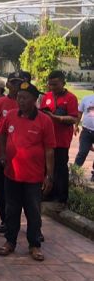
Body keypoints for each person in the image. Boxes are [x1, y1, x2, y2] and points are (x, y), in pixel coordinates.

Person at [0, 82, 55, 262]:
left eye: (24, 98)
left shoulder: (44, 120)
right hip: (12, 174)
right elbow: (2, 134)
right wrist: (3, 153)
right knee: (12, 210)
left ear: (34, 99)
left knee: (33, 212)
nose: (20, 101)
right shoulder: (11, 115)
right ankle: (10, 241)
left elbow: (49, 150)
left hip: (33, 177)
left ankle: (34, 244)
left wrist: (49, 175)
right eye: (19, 97)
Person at [0, 72, 23, 232]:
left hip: (21, 155)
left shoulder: (27, 103)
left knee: (22, 191)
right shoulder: (0, 103)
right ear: (8, 84)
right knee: (2, 190)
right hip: (1, 154)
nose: (16, 86)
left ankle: (28, 224)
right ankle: (5, 220)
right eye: (13, 82)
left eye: (19, 83)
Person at [40, 70, 78, 203]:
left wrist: (56, 118)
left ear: (63, 83)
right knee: (47, 167)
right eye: (50, 84)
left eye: (55, 84)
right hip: (47, 139)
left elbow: (73, 118)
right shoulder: (47, 96)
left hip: (61, 140)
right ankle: (47, 194)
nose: (52, 87)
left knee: (60, 168)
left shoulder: (71, 98)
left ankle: (61, 198)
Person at [73, 86, 94, 181]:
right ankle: (74, 173)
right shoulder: (86, 99)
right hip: (86, 131)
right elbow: (79, 113)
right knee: (82, 152)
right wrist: (76, 125)